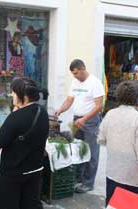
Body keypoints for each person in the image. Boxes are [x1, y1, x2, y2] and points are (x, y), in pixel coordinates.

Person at [97, 80, 138, 206]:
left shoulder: (110, 114)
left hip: (113, 174)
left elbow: (101, 139)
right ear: (136, 97)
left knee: (113, 206)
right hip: (133, 179)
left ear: (118, 96)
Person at [0, 77, 49, 209]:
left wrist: (12, 115)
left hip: (13, 172)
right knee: (30, 204)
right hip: (35, 169)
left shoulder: (16, 117)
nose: (11, 95)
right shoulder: (43, 112)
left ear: (23, 96)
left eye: (13, 92)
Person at [55, 59, 104, 193]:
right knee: (78, 149)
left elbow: (99, 106)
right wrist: (60, 110)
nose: (75, 76)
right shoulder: (75, 82)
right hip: (77, 120)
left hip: (91, 120)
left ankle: (88, 183)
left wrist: (85, 118)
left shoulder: (95, 83)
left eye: (76, 73)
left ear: (82, 69)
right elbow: (69, 100)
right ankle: (78, 179)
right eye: (73, 74)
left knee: (91, 151)